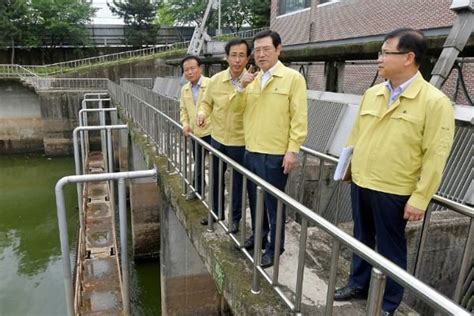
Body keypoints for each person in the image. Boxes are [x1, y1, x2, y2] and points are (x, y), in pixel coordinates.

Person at [334, 28, 455, 316]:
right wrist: (347, 171)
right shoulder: (373, 93)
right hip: (362, 180)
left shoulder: (434, 102)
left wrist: (420, 199)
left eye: (386, 52)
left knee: (391, 249)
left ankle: (389, 303)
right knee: (361, 238)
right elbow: (356, 137)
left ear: (409, 58)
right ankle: (358, 284)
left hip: (394, 189)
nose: (379, 58)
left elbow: (435, 157)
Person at [239, 30, 308, 268]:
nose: (260, 54)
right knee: (255, 199)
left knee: (273, 202)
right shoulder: (252, 79)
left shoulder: (292, 78)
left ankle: (274, 247)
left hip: (276, 152)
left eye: (266, 49)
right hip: (252, 149)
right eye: (256, 50)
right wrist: (240, 87)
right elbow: (236, 111)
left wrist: (293, 150)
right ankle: (258, 236)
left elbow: (299, 117)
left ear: (278, 49)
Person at [196, 39, 251, 233]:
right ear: (226, 57)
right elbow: (206, 103)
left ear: (247, 58)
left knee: (237, 182)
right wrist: (202, 114)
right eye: (233, 55)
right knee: (216, 177)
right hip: (218, 138)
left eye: (241, 55)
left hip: (240, 141)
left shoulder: (253, 82)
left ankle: (234, 218)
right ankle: (215, 211)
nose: (237, 60)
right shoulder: (216, 80)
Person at [179, 55, 211, 200]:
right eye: (186, 70)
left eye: (192, 68)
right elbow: (183, 111)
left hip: (211, 132)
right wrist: (185, 125)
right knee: (198, 163)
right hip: (195, 133)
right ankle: (198, 190)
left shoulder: (211, 84)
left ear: (200, 68)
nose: (190, 72)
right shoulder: (185, 89)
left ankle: (215, 200)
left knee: (216, 166)